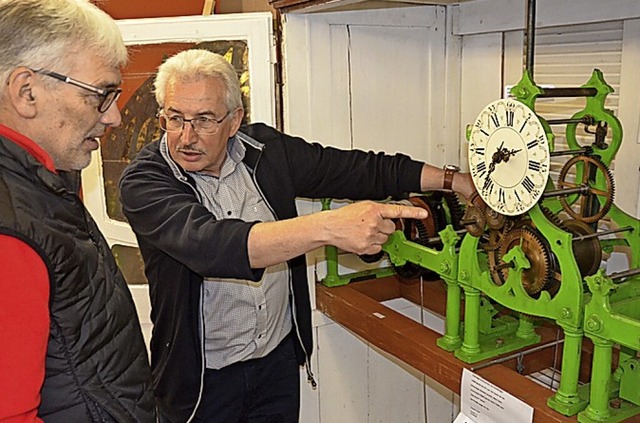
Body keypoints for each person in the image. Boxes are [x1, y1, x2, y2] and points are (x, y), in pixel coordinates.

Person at [119, 49, 479, 423]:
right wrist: (329, 227)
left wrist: (453, 181)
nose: (185, 136)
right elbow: (213, 245)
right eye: (175, 118)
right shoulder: (146, 181)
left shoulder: (267, 151)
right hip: (201, 382)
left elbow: (355, 170)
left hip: (275, 364)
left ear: (234, 120)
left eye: (204, 120)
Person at [0, 0, 156, 422]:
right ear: (26, 91)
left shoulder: (42, 186)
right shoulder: (11, 229)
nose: (116, 117)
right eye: (101, 94)